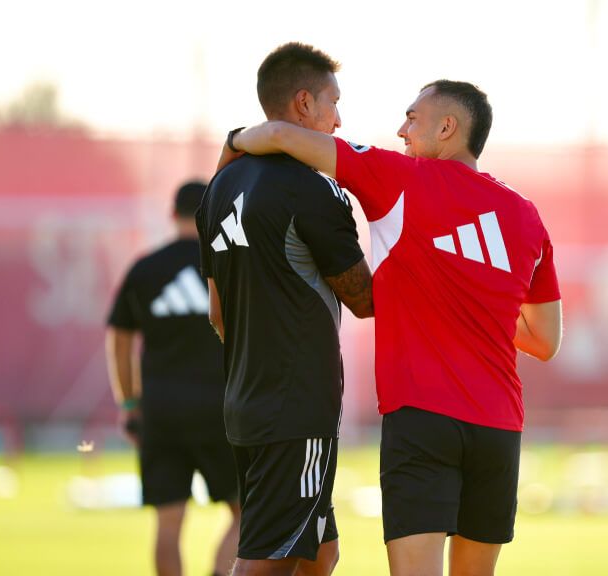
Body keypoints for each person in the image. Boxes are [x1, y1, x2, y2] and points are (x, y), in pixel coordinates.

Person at [226, 79, 563, 576]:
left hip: (423, 416)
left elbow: (281, 135)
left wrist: (233, 141)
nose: (400, 130)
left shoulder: (400, 176)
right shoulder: (526, 214)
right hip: (499, 426)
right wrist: (474, 306)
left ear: (447, 127)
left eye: (412, 118)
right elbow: (545, 341)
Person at [197, 43, 373, 576]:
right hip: (297, 409)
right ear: (302, 105)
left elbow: (217, 314)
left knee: (321, 554)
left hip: (246, 402)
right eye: (332, 103)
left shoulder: (221, 185)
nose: (339, 120)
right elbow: (365, 300)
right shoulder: (314, 188)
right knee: (269, 563)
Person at [105, 180, 240, 576]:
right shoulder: (227, 266)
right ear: (210, 215)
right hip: (220, 409)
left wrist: (130, 403)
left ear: (172, 214)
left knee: (168, 523)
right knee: (247, 512)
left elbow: (119, 341)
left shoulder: (145, 269)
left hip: (161, 410)